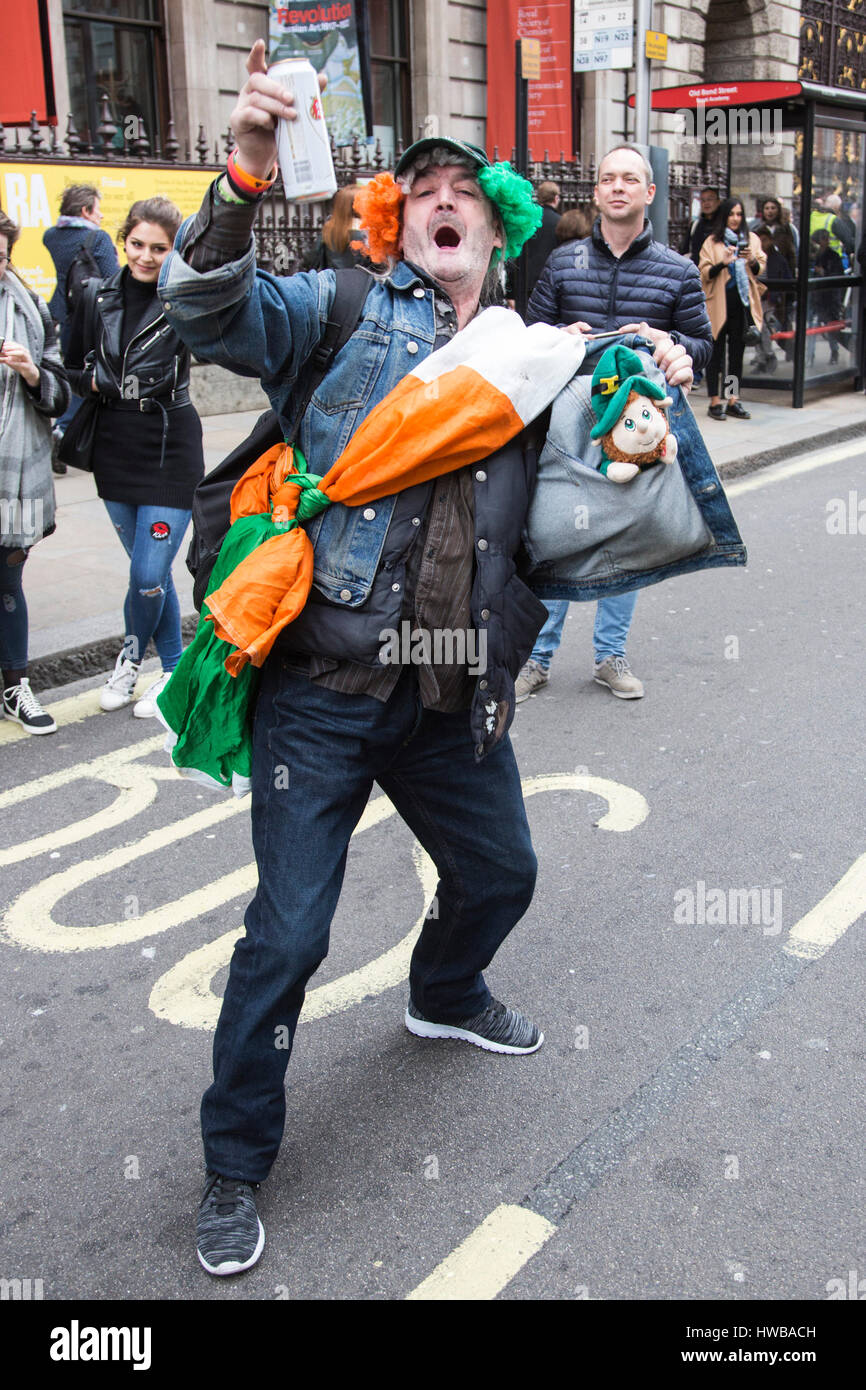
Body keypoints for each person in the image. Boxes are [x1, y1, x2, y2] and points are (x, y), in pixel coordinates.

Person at [158, 39, 559, 1277]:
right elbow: (203, 307)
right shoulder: (334, 310)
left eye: (467, 191)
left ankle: (442, 989)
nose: (443, 198)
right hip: (322, 691)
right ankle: (233, 1164)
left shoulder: (525, 361)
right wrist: (244, 173)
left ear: (495, 232)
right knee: (286, 938)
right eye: (421, 187)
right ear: (395, 219)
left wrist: (642, 384)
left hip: (445, 689)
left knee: (500, 876)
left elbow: (600, 487)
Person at [516, 145, 710, 704]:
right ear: (596, 192)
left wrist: (669, 345)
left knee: (629, 533)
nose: (618, 187)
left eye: (630, 179)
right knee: (554, 532)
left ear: (649, 193)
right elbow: (531, 335)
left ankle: (610, 656)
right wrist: (560, 337)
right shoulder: (563, 261)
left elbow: (702, 344)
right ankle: (536, 657)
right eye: (608, 179)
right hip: (567, 429)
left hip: (638, 431)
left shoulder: (677, 270)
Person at [65, 197, 204, 718]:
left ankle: (128, 657)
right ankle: (170, 667)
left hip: (169, 442)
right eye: (137, 244)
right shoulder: (95, 295)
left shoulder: (184, 299)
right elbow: (74, 364)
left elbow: (218, 345)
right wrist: (93, 379)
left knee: (148, 573)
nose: (145, 256)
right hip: (115, 444)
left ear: (174, 251)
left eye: (159, 248)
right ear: (124, 241)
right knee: (149, 573)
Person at [0, 211, 70, 733]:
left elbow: (60, 390)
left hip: (15, 473)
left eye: (0, 257)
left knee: (8, 578)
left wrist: (31, 373)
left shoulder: (31, 310)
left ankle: (15, 686)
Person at [42, 184, 119, 459]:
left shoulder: (51, 236)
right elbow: (112, 279)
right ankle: (65, 433)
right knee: (92, 375)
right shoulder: (97, 238)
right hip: (94, 317)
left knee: (72, 370)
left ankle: (67, 430)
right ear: (85, 210)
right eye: (97, 210)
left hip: (65, 314)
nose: (100, 216)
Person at [700, 196, 766, 421]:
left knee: (736, 355)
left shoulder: (751, 240)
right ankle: (714, 401)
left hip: (741, 305)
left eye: (739, 214)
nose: (735, 219)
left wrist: (751, 261)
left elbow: (759, 269)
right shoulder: (712, 241)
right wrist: (724, 263)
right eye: (731, 214)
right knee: (715, 355)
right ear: (724, 216)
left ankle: (732, 400)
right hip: (718, 305)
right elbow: (704, 273)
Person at [750, 222, 793, 373]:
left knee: (765, 329)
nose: (762, 244)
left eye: (765, 240)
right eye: (759, 241)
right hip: (755, 299)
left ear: (771, 240)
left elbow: (786, 279)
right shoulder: (753, 258)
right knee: (755, 329)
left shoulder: (777, 259)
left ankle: (767, 356)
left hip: (769, 300)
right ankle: (762, 357)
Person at [302, 183, 366, 269]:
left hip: (333, 280)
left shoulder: (329, 231)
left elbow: (311, 259)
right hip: (361, 281)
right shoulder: (367, 233)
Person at [524, 179, 561, 296]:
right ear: (555, 198)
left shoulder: (528, 221)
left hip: (527, 282)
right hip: (551, 281)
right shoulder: (560, 222)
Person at [749, 197, 798, 271]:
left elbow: (792, 254)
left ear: (778, 210)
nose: (770, 211)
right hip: (764, 272)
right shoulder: (758, 231)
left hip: (782, 273)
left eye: (773, 208)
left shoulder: (786, 229)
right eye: (767, 208)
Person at [681, 186, 720, 266]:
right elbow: (684, 249)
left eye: (710, 199)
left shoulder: (723, 225)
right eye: (703, 200)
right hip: (697, 271)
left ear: (718, 202)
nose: (706, 203)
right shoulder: (695, 225)